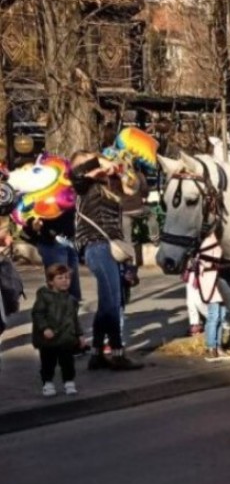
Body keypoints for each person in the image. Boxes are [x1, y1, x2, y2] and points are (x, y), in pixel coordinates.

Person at [71, 151, 142, 371]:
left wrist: (120, 168)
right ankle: (117, 353)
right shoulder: (84, 186)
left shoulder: (108, 186)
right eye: (89, 162)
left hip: (111, 247)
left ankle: (97, 354)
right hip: (96, 246)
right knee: (113, 300)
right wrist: (99, 162)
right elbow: (79, 177)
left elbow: (133, 186)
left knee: (108, 302)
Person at [31, 264, 83, 396]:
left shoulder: (71, 300)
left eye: (67, 277)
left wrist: (79, 335)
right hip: (49, 338)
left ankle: (69, 382)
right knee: (48, 362)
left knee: (68, 362)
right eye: (60, 278)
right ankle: (48, 383)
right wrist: (44, 328)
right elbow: (38, 314)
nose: (65, 280)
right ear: (50, 281)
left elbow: (74, 319)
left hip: (66, 338)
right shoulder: (44, 297)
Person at [194, 234, 230, 362]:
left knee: (221, 317)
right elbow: (205, 261)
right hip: (212, 284)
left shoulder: (222, 241)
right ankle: (211, 347)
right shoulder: (209, 241)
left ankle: (219, 347)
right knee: (214, 316)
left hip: (221, 285)